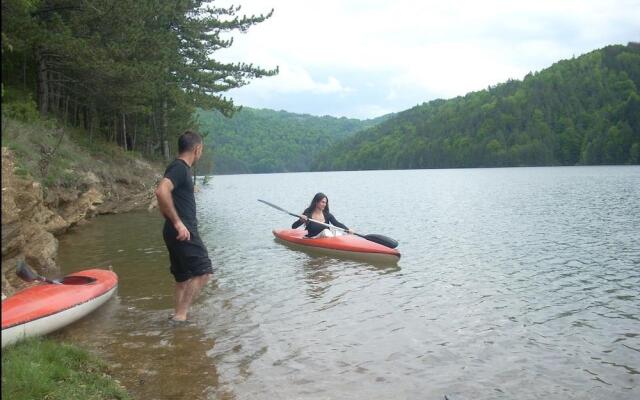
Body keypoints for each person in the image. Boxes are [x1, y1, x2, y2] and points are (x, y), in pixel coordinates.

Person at [155, 130, 213, 323]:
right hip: (183, 230)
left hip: (172, 230)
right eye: (201, 150)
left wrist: (170, 220)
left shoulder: (176, 167)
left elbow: (165, 195)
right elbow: (161, 190)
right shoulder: (180, 168)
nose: (201, 154)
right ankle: (181, 315)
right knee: (204, 271)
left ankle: (176, 315)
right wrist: (179, 223)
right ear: (197, 149)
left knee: (182, 278)